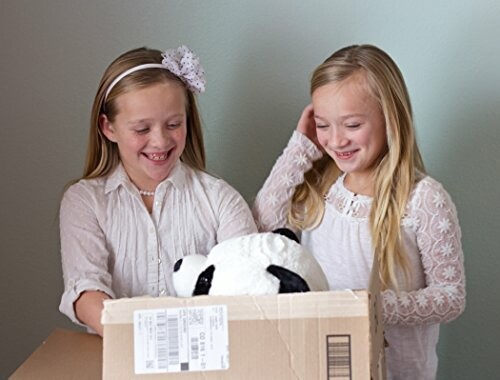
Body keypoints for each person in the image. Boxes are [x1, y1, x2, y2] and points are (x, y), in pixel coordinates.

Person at [253, 44, 465, 379]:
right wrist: (301, 146)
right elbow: (264, 223)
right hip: (321, 365)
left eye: (351, 124)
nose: (336, 141)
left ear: (390, 118)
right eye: (324, 125)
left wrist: (371, 306)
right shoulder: (320, 188)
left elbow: (450, 297)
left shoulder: (423, 199)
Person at [59, 46, 257, 336]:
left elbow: (248, 286)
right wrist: (147, 339)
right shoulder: (85, 202)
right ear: (109, 128)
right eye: (141, 129)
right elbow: (86, 290)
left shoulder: (220, 199)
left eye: (174, 124)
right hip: (120, 357)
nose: (160, 141)